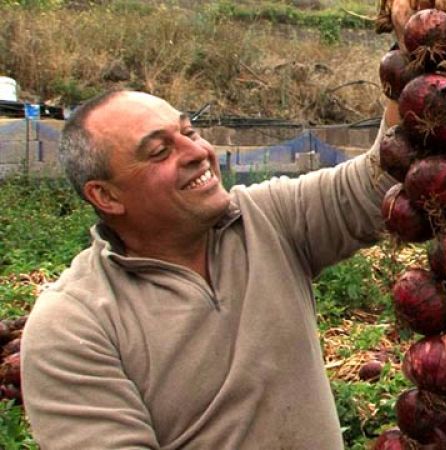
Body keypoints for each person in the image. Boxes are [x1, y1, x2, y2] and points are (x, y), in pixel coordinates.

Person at [20, 86, 399, 447]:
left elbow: (379, 183)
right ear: (106, 195)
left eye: (189, 131)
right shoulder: (73, 325)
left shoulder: (266, 218)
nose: (197, 151)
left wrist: (409, 60)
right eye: (158, 151)